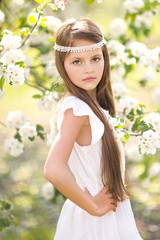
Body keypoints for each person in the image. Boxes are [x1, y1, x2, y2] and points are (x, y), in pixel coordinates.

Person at [44, 18, 143, 240]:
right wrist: (92, 207)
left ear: (105, 59)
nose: (88, 69)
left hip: (109, 211)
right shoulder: (77, 110)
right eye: (77, 61)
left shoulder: (92, 105)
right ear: (62, 65)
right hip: (96, 219)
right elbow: (53, 169)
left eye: (95, 59)